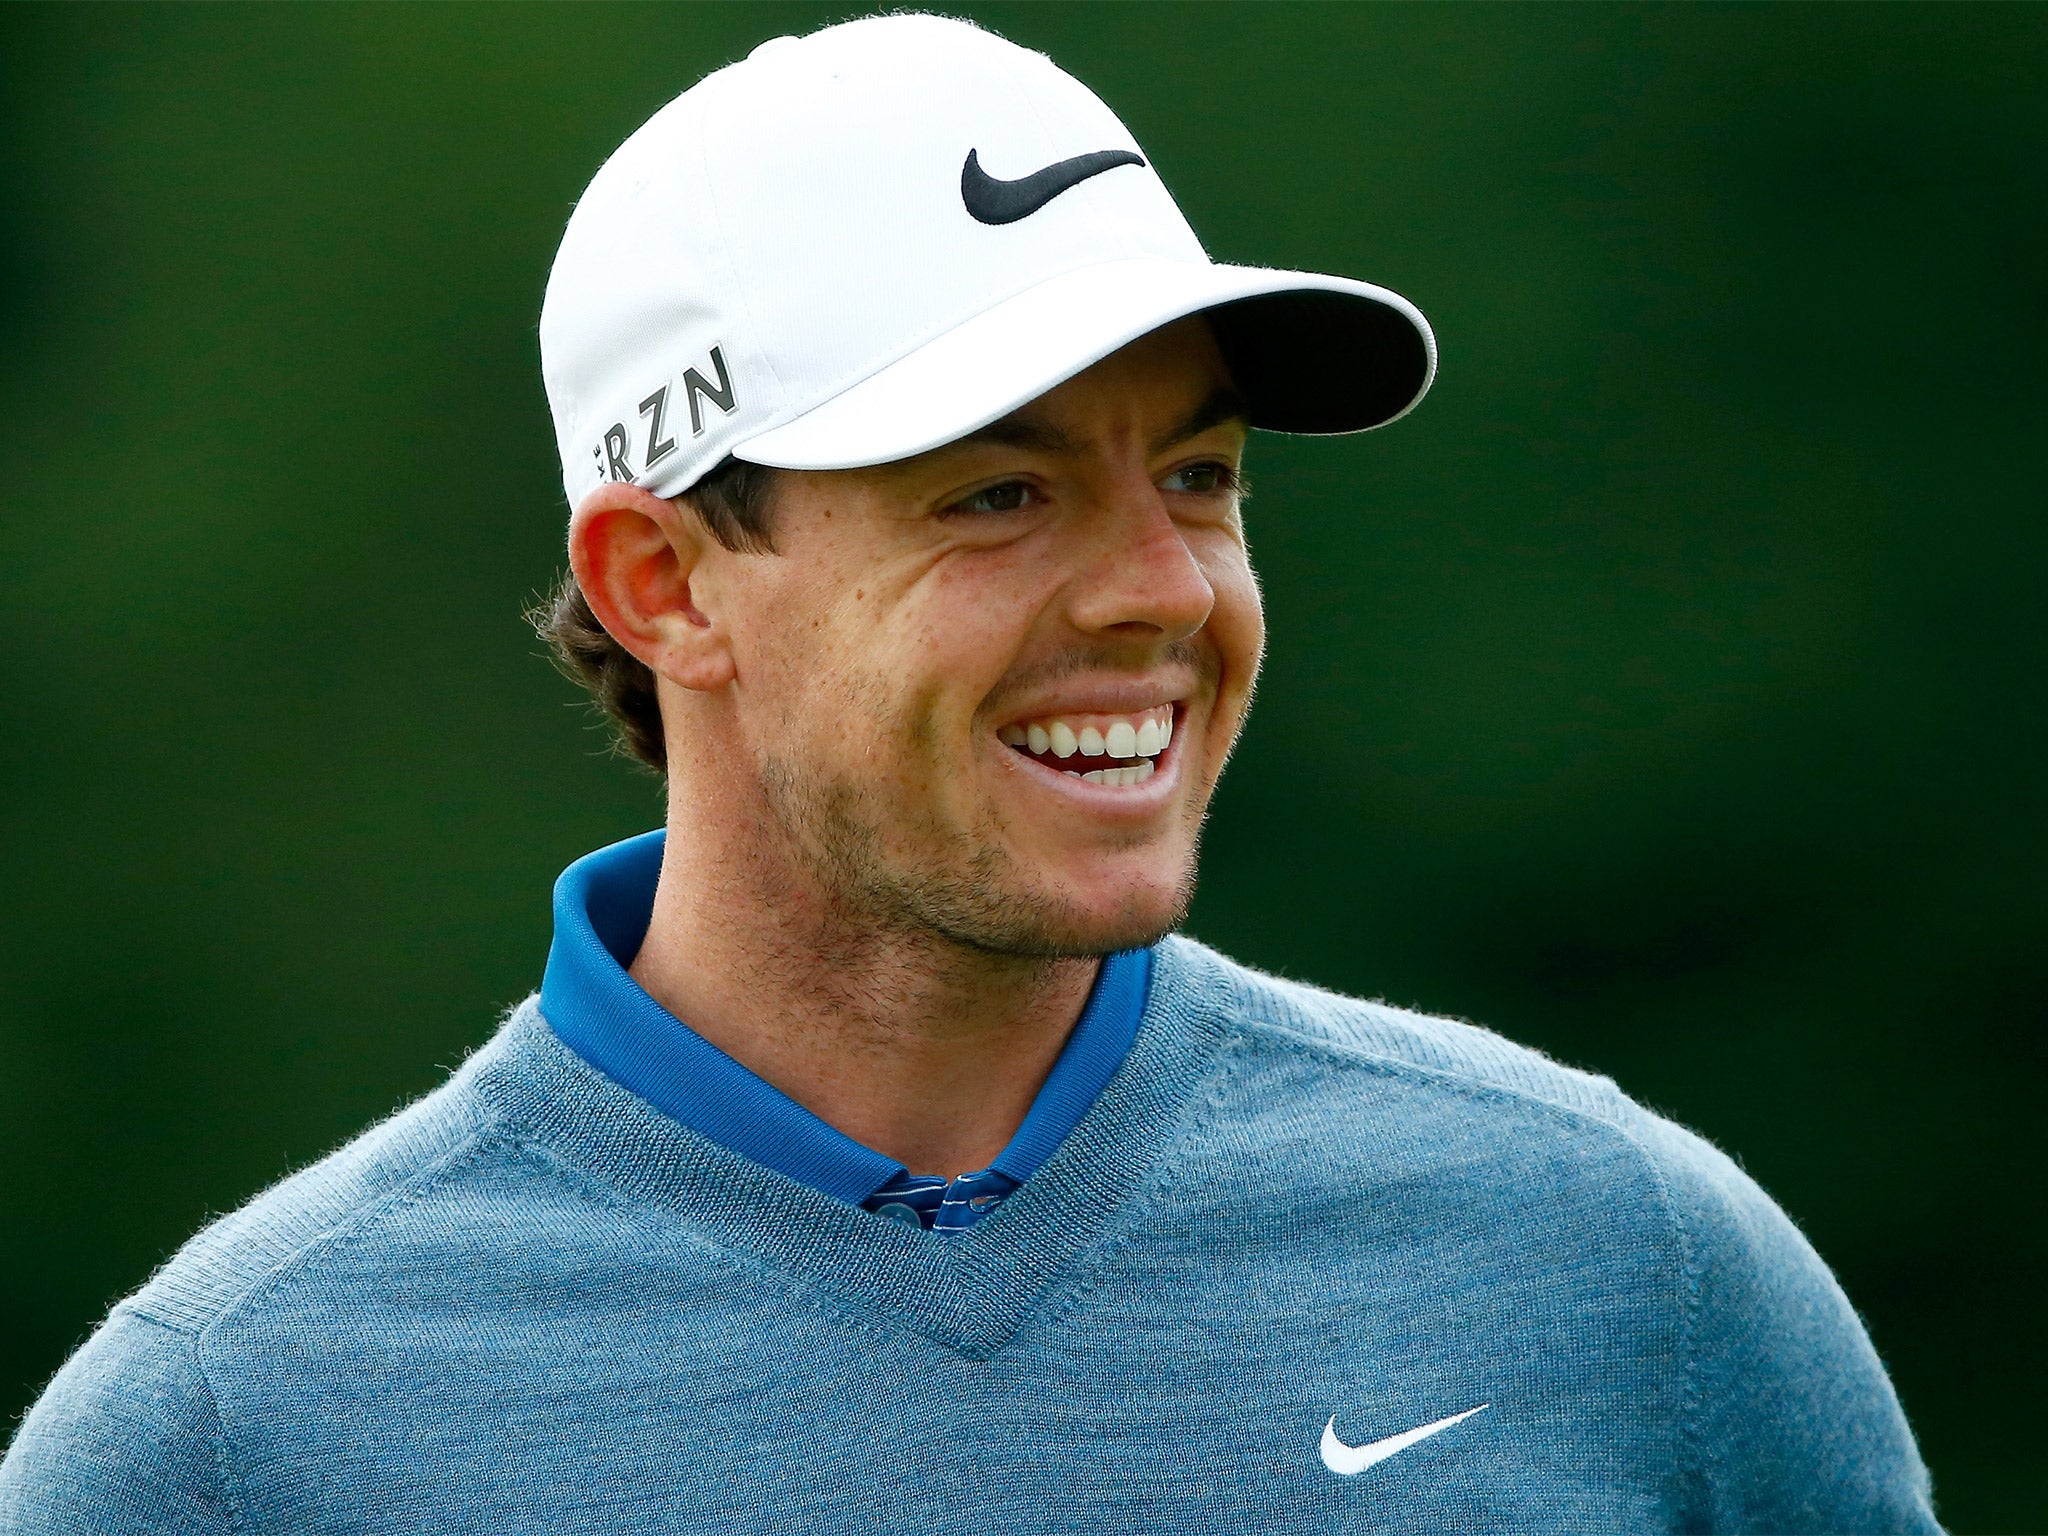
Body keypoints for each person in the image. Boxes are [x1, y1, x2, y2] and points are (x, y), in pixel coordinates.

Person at [0, 15, 1937, 1534]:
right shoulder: (234, 1439)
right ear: (664, 582)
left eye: (1197, 476)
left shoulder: (1610, 1258)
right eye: (998, 495)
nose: (1163, 592)